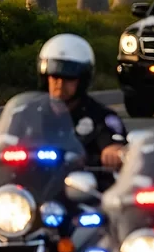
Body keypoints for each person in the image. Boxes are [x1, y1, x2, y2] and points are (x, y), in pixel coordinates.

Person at [37, 34, 128, 174]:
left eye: (69, 78)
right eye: (55, 77)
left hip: (84, 188)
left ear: (83, 80)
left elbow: (113, 142)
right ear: (45, 78)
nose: (60, 85)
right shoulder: (29, 113)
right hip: (32, 189)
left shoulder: (101, 117)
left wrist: (113, 151)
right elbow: (4, 141)